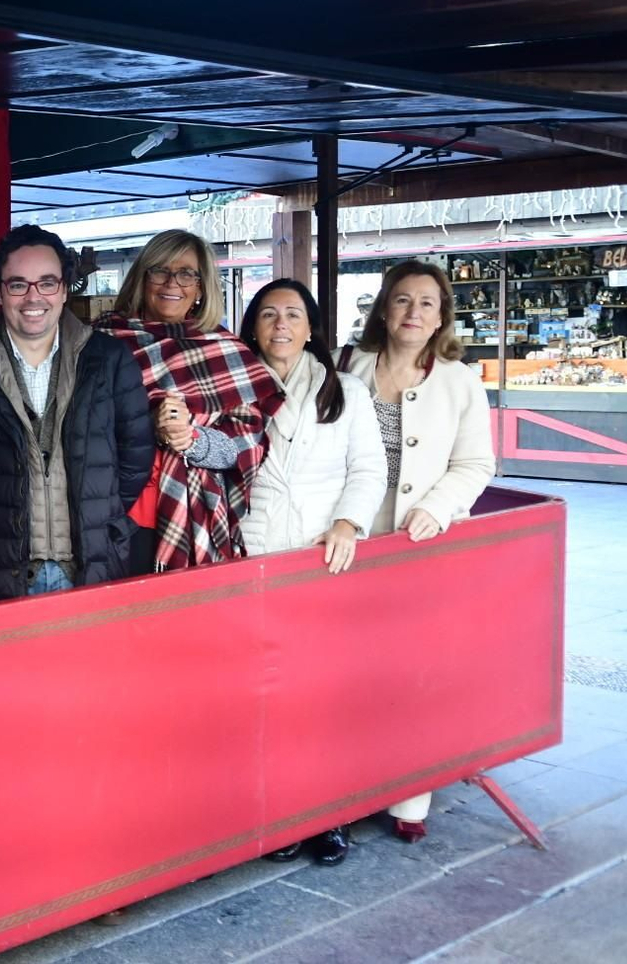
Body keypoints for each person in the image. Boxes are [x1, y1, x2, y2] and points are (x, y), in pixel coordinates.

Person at [340, 259, 496, 843]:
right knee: (353, 673)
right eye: (403, 300)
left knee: (413, 673)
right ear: (383, 308)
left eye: (427, 304)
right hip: (353, 541)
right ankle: (350, 787)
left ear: (440, 317)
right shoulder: (349, 365)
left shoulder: (459, 381)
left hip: (419, 546)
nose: (413, 312)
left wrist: (439, 506)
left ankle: (410, 797)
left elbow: (477, 463)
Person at [240, 279, 386, 867]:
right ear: (253, 325)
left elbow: (368, 469)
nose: (281, 324)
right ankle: (276, 818)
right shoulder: (233, 383)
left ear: (310, 327)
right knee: (267, 697)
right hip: (254, 553)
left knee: (323, 696)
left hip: (324, 555)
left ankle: (330, 815)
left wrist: (349, 523)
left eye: (293, 315)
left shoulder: (344, 390)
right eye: (269, 314)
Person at [0, 225, 154, 599]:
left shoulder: (108, 359)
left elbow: (136, 452)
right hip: (2, 567)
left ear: (66, 289)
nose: (33, 297)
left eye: (47, 283)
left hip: (93, 562)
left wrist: (101, 515)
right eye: (18, 284)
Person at [95, 230, 281, 572]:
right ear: (142, 277)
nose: (172, 283)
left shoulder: (224, 348)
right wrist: (145, 423)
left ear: (201, 287)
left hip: (197, 516)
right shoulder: (102, 341)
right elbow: (83, 429)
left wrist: (192, 439)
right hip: (117, 515)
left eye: (186, 274)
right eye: (160, 271)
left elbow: (247, 446)